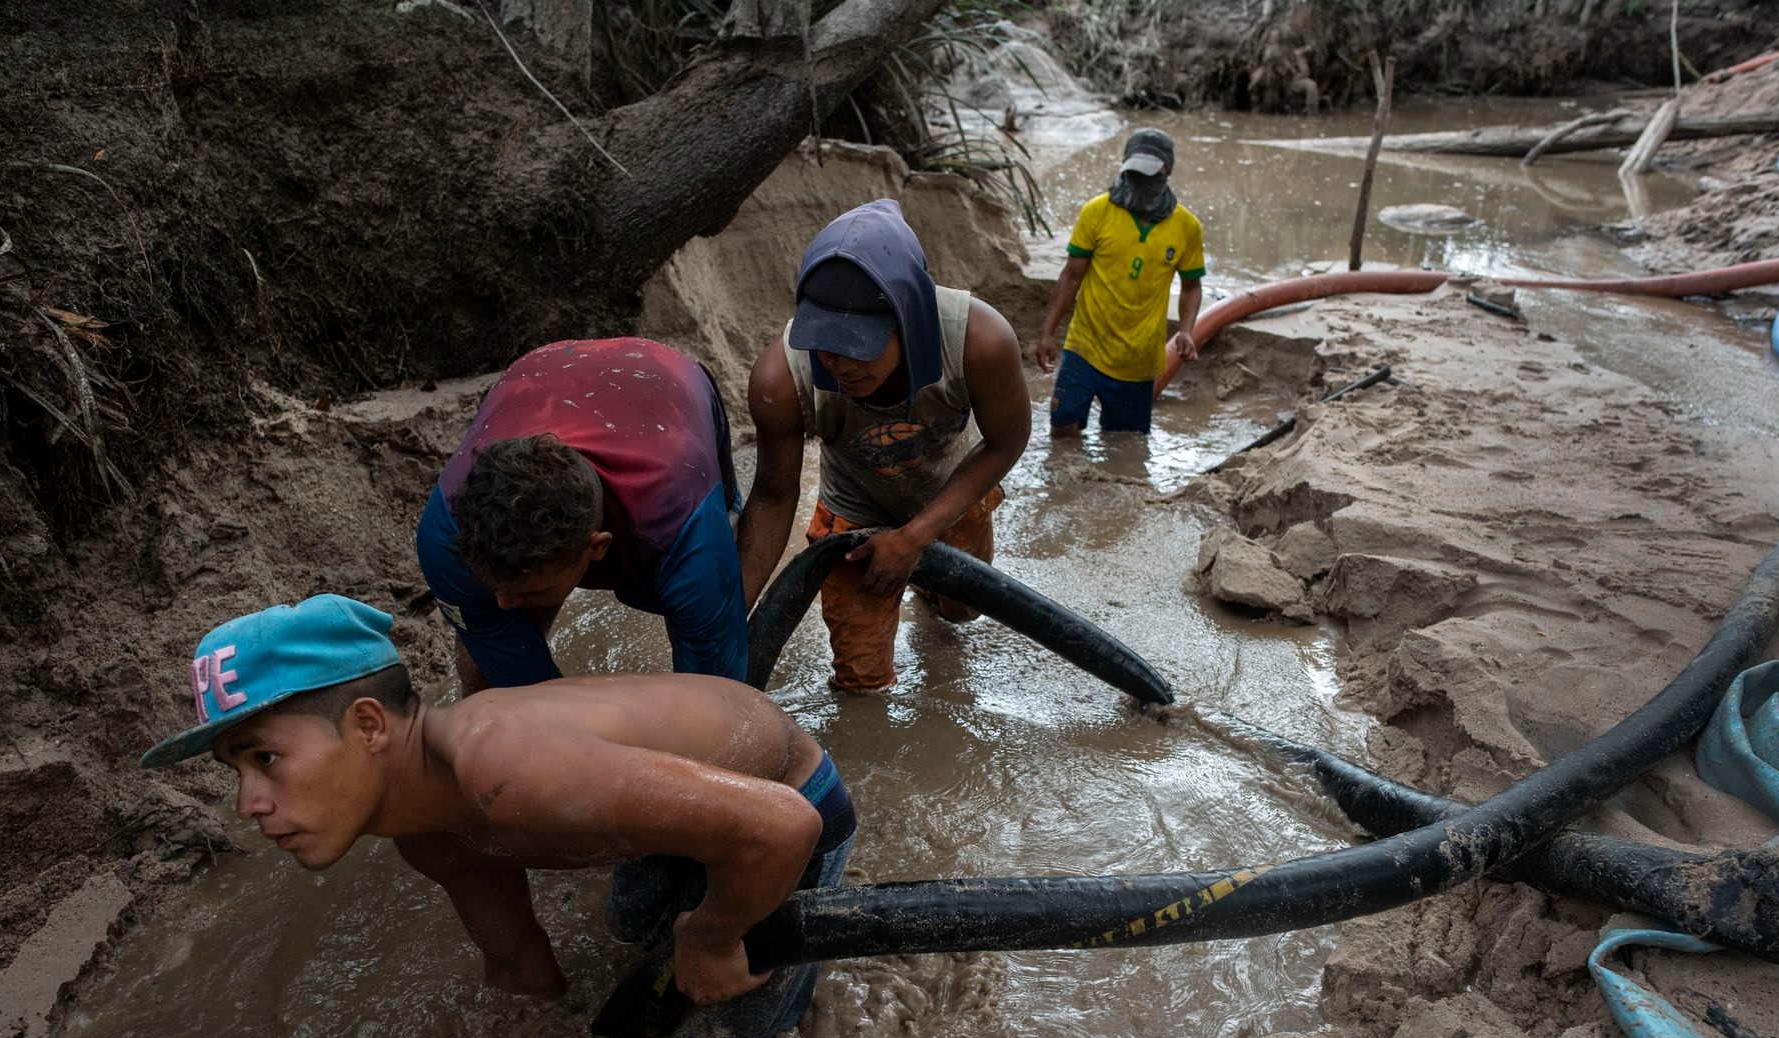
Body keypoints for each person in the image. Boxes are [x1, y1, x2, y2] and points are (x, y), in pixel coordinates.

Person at [138, 594, 855, 1038]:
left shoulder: (505, 769)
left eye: (265, 758)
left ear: (367, 725)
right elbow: (520, 973)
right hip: (683, 815)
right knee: (631, 927)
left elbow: (781, 824)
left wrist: (710, 937)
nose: (247, 805)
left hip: (788, 795)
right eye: (236, 770)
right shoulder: (430, 837)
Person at [735, 199, 1031, 692]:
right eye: (825, 344)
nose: (840, 365)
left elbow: (1007, 440)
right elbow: (772, 495)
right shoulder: (781, 378)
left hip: (952, 490)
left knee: (961, 613)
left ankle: (927, 588)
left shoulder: (978, 341)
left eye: (858, 345)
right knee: (860, 676)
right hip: (854, 510)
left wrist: (915, 538)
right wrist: (727, 624)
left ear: (909, 321)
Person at [416, 338, 747, 692]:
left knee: (704, 628)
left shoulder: (687, 529)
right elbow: (526, 691)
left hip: (668, 378)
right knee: (491, 679)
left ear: (598, 547)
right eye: (495, 586)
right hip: (540, 371)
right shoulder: (444, 537)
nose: (503, 602)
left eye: (529, 590)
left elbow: (717, 702)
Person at [1034, 128, 1207, 439]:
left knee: (1124, 442)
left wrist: (1186, 329)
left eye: (1148, 175)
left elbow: (1192, 285)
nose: (1138, 182)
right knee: (1062, 429)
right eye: (1134, 173)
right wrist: (1048, 332)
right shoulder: (1096, 212)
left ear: (1166, 172)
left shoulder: (1186, 227)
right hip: (1085, 346)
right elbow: (1071, 276)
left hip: (1138, 358)